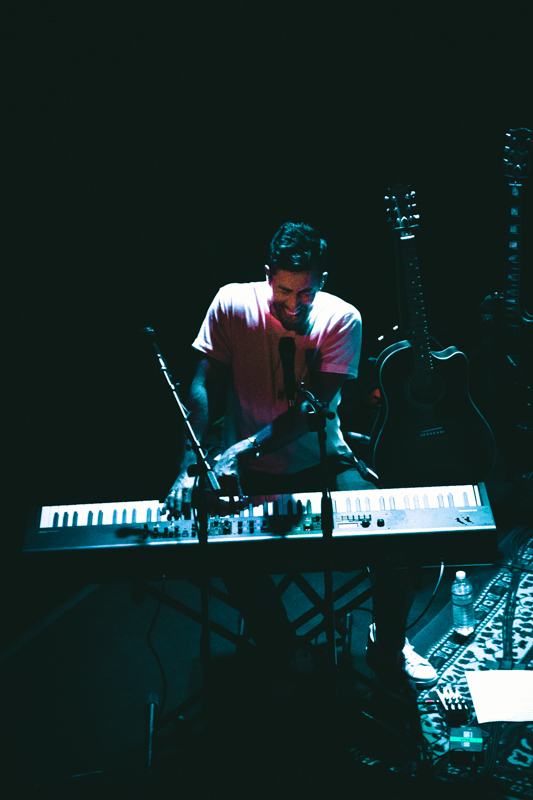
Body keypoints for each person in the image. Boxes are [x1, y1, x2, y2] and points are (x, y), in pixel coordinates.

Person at [165, 221, 437, 688]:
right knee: (226, 552)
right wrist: (194, 463)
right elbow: (202, 383)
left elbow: (305, 409)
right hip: (245, 470)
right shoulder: (231, 302)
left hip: (321, 462)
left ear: (323, 279)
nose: (294, 305)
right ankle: (280, 645)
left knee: (398, 538)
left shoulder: (342, 318)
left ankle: (388, 644)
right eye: (284, 292)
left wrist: (237, 450)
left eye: (306, 293)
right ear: (268, 274)